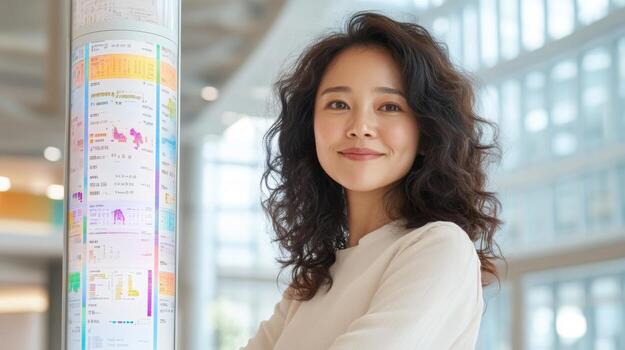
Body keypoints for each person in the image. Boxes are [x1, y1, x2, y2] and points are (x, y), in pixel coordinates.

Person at [242, 11, 503, 350]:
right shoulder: (311, 283)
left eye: (389, 107)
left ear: (426, 130)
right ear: (310, 129)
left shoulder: (439, 248)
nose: (360, 126)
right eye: (338, 104)